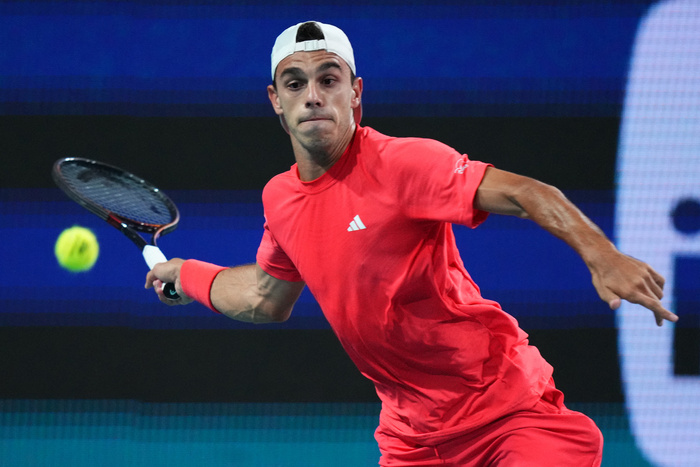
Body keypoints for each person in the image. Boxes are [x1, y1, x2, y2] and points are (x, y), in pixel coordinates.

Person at [145, 21, 678, 466]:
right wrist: (187, 275)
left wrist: (602, 254)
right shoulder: (280, 198)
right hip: (414, 440)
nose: (312, 95)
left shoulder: (404, 163)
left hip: (507, 415)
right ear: (276, 101)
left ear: (355, 92)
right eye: (295, 83)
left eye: (329, 79)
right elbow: (265, 296)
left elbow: (525, 193)